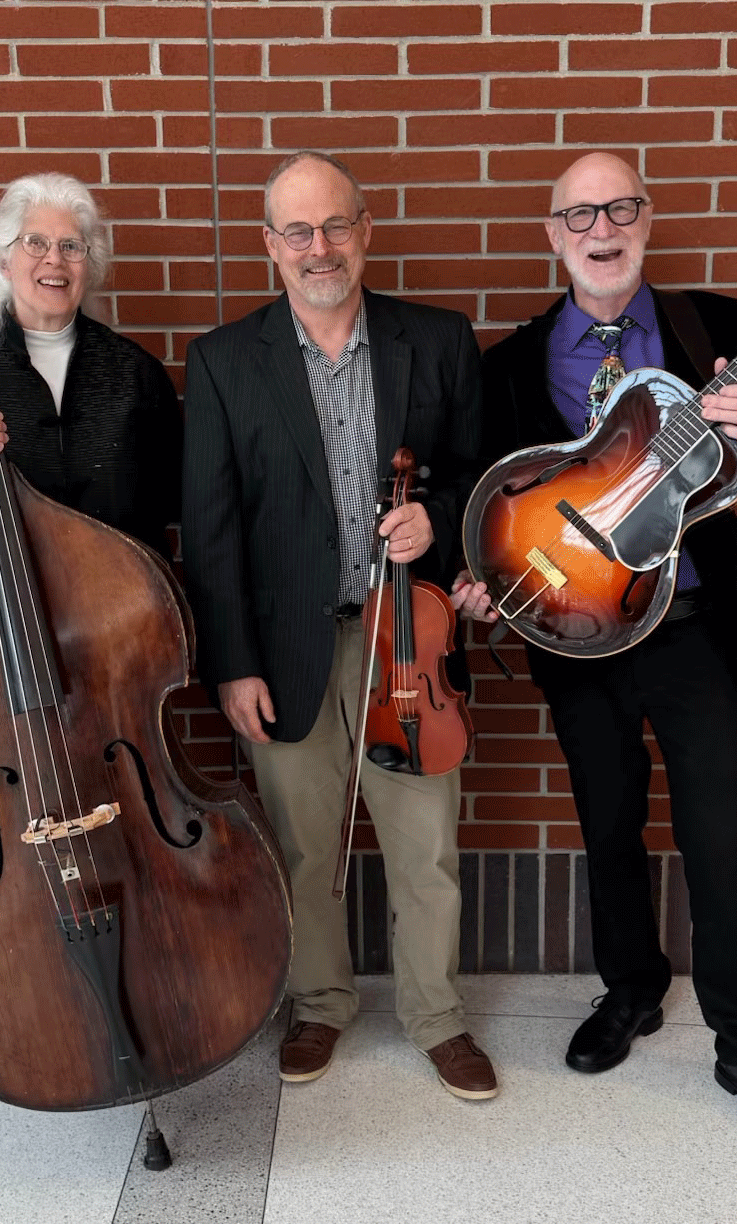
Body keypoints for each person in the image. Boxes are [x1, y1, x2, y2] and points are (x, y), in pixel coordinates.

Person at [451, 151, 737, 1147]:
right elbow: (500, 498)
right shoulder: (514, 363)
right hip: (578, 635)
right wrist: (484, 581)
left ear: (646, 220)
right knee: (608, 826)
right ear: (554, 233)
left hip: (693, 628)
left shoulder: (717, 327)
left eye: (619, 209)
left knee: (719, 840)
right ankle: (633, 989)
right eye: (580, 214)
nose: (600, 229)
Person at [180, 151, 496, 1100]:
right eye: (298, 231)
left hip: (412, 639)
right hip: (285, 645)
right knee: (306, 843)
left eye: (337, 226)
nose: (320, 249)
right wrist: (232, 663)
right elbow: (213, 525)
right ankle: (320, 1004)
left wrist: (440, 525)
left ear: (365, 230)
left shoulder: (436, 340)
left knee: (424, 841)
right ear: (270, 245)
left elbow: (483, 481)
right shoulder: (226, 358)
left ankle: (436, 1016)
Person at [0, 173, 181, 557]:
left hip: (122, 606)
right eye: (34, 243)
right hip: (6, 610)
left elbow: (172, 501)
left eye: (71, 246)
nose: (54, 258)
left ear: (88, 265)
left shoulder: (137, 373)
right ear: (4, 262)